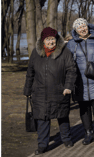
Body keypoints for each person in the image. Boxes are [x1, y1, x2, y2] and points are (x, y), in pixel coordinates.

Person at [23, 27, 77, 155]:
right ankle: (42, 145)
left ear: (56, 39)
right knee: (42, 120)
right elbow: (30, 72)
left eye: (53, 39)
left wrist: (68, 86)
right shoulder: (36, 53)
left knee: (62, 117)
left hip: (60, 91)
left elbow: (72, 70)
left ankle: (67, 139)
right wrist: (27, 89)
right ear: (43, 41)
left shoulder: (65, 52)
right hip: (40, 93)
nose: (51, 41)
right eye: (48, 39)